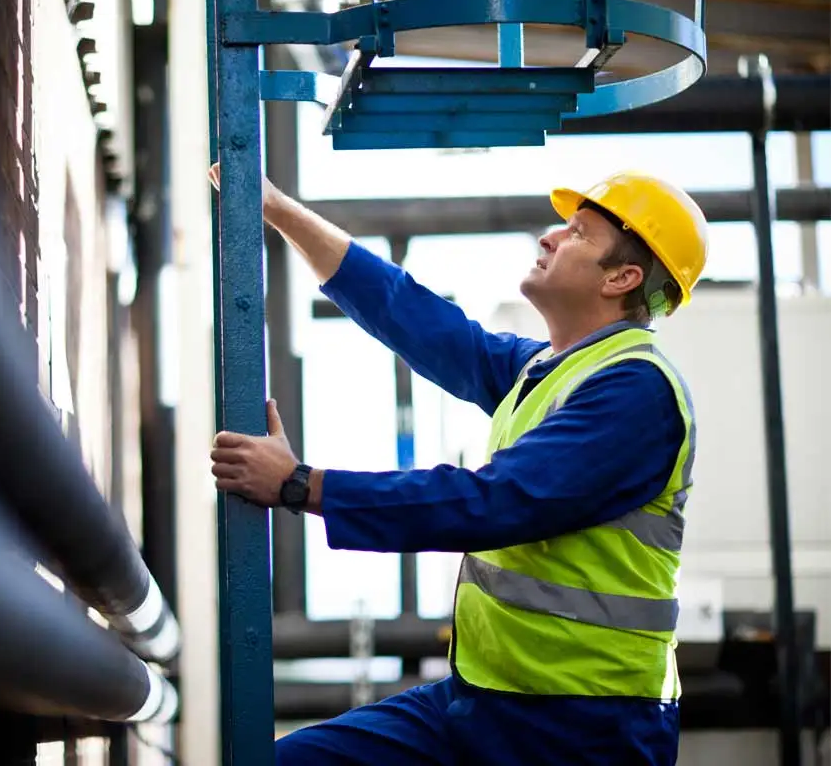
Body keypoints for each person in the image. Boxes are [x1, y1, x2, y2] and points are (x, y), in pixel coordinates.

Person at [207, 163, 708, 766]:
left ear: (622, 277)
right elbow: (415, 317)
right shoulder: (543, 372)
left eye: (577, 233)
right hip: (484, 702)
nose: (549, 237)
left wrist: (299, 486)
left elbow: (495, 503)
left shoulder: (636, 394)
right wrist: (277, 209)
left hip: (585, 726)